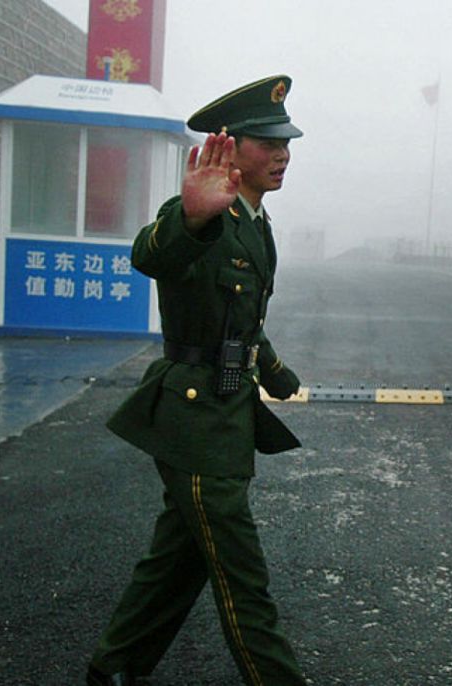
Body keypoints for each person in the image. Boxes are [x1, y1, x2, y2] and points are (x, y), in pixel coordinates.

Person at [85, 75, 309, 686]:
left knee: (178, 562)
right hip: (193, 414)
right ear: (228, 147)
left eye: (286, 141)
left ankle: (114, 668)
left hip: (226, 412)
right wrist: (190, 218)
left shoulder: (255, 221)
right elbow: (150, 256)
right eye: (267, 142)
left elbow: (241, 319)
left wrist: (274, 369)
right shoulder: (202, 213)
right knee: (243, 578)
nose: (282, 152)